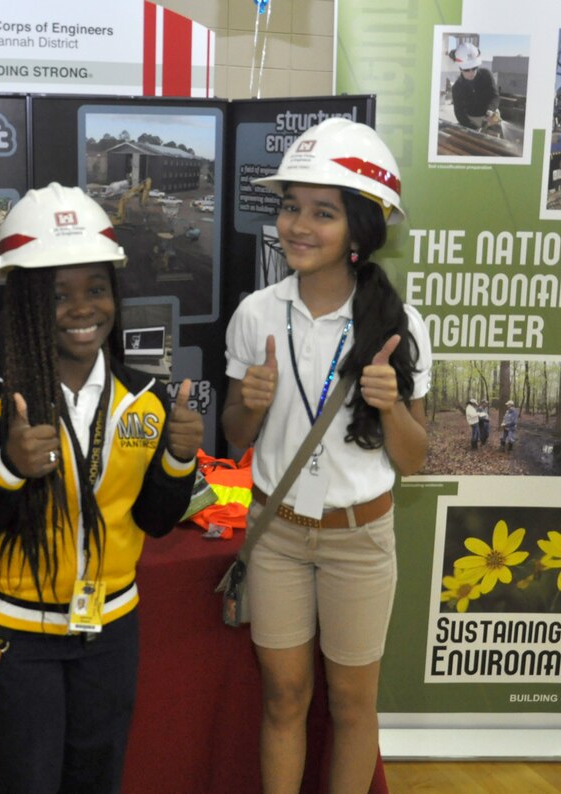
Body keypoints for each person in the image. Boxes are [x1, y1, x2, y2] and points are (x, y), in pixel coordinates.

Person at [0, 183, 203, 794]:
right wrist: (8, 467)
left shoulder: (145, 396)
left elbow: (155, 519)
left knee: (97, 777)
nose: (82, 308)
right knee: (23, 782)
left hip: (110, 630)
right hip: (15, 635)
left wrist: (176, 458)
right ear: (29, 303)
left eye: (95, 289)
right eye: (58, 295)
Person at [223, 118, 432, 792]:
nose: (297, 226)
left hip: (359, 539)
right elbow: (235, 437)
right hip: (278, 535)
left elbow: (416, 460)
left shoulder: (399, 324)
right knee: (283, 699)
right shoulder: (257, 313)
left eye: (323, 212)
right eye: (290, 207)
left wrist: (390, 405)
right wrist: (250, 403)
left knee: (351, 706)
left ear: (360, 231)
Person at [450, 42, 502, 134]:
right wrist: (473, 128)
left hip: (491, 115)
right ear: (460, 68)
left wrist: (491, 110)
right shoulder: (457, 88)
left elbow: (495, 96)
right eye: (467, 69)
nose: (471, 72)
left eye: (474, 68)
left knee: (497, 138)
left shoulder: (486, 75)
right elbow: (459, 114)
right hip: (473, 119)